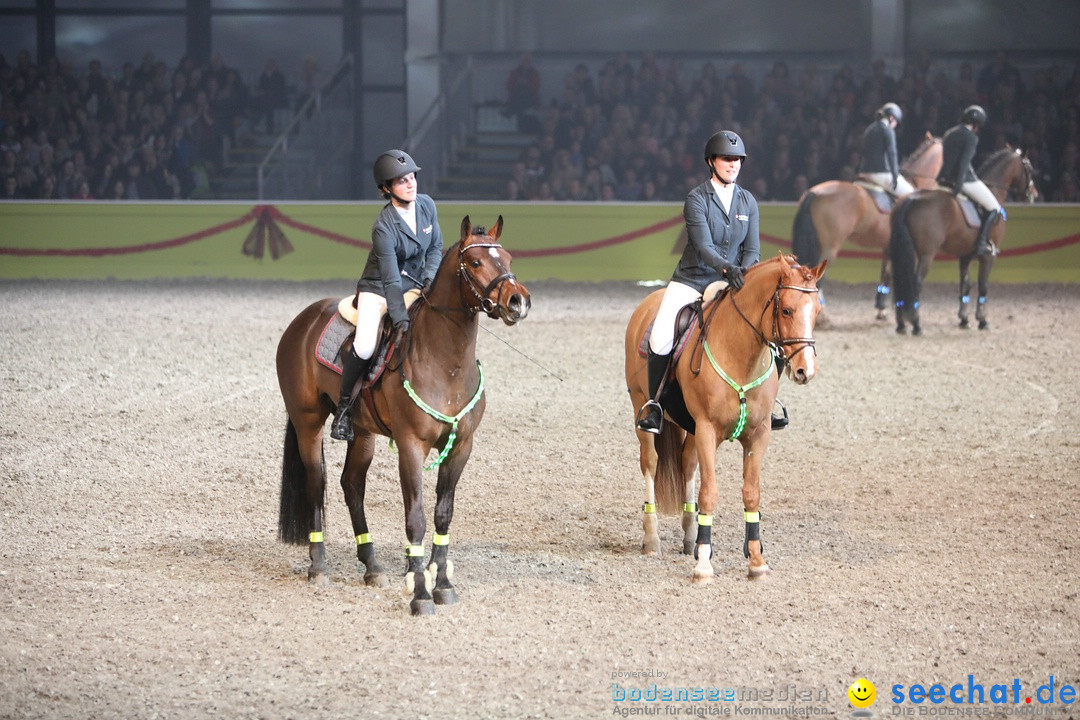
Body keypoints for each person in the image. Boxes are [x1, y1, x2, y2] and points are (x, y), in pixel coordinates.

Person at [636, 130, 788, 435]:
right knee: (662, 335)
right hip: (693, 280)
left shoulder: (748, 202)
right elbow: (704, 247)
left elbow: (754, 249)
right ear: (711, 161)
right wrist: (727, 268)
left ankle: (771, 401)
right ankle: (654, 405)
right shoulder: (696, 199)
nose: (732, 164)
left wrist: (742, 272)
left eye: (737, 160)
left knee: (775, 337)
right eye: (726, 159)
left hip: (735, 280)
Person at [330, 150, 444, 442]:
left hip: (417, 284)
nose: (411, 184)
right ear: (386, 189)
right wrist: (400, 317)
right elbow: (391, 279)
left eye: (411, 177)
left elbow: (435, 249)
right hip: (379, 289)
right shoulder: (384, 227)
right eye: (401, 181)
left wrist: (430, 279)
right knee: (367, 344)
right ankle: (344, 410)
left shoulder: (427, 206)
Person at [936, 104, 1001, 256]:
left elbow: (947, 160)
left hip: (945, 179)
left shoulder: (949, 133)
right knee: (994, 207)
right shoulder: (971, 137)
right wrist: (959, 185)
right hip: (964, 180)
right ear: (976, 124)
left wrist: (941, 178)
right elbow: (964, 163)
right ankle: (981, 243)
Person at [857, 102, 915, 197]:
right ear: (892, 117)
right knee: (911, 194)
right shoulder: (888, 131)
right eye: (896, 122)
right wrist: (895, 176)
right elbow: (892, 153)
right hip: (880, 173)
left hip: (863, 172)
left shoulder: (870, 129)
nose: (895, 125)